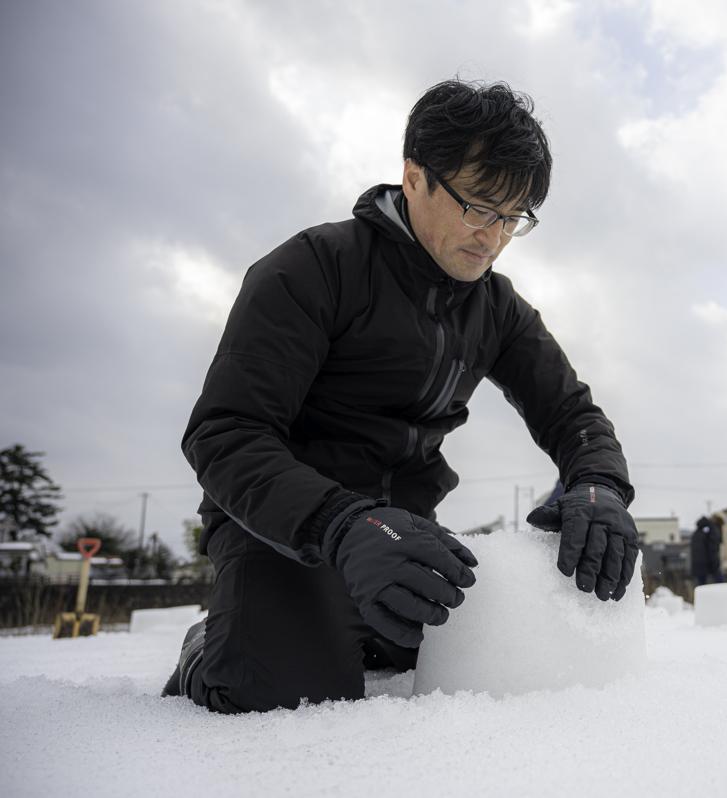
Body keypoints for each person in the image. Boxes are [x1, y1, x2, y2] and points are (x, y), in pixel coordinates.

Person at [162, 80, 639, 714]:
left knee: (489, 657)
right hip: (284, 527)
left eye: (513, 217)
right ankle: (211, 643)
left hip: (406, 533)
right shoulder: (313, 268)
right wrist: (340, 523)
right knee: (281, 694)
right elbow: (225, 433)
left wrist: (598, 483)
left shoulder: (498, 308)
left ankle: (352, 629)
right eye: (478, 206)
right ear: (415, 177)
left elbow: (571, 412)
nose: (492, 237)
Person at [689, 514, 723, 586]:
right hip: (709, 563)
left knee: (701, 587)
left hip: (697, 565)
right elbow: (713, 549)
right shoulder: (712, 531)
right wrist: (716, 564)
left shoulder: (697, 532)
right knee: (720, 585)